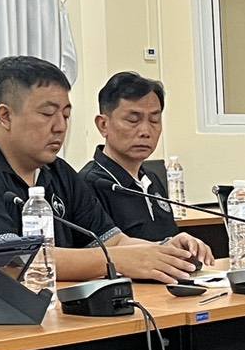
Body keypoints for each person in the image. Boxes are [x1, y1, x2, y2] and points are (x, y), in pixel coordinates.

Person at [0, 57, 203, 283]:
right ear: (6, 116)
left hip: (58, 313)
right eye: (47, 114)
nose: (60, 126)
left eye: (66, 115)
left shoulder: (57, 171)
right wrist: (116, 260)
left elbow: (113, 242)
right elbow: (13, 263)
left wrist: (164, 251)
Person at [77, 73, 212, 262]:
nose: (145, 131)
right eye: (133, 120)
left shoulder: (152, 179)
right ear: (103, 125)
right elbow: (101, 255)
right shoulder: (88, 184)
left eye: (154, 120)